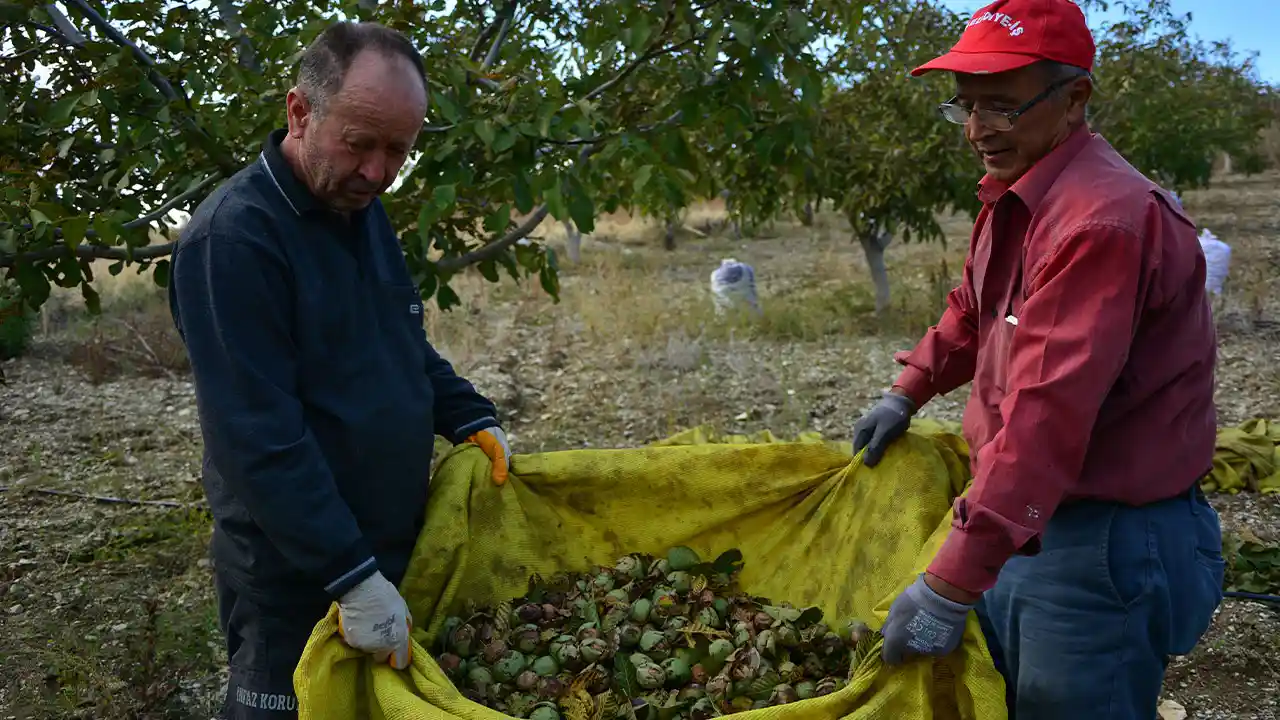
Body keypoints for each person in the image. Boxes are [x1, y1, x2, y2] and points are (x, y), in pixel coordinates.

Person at [851, 1, 1225, 717]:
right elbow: (976, 307)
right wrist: (909, 389)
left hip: (1100, 536)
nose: (975, 131)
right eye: (963, 107)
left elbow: (1045, 420)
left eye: (999, 106)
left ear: (1074, 97)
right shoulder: (1023, 194)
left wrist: (949, 584)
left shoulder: (1100, 223)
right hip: (1028, 515)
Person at [168, 21, 511, 719]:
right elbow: (257, 437)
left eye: (398, 151)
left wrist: (466, 412)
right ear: (299, 112)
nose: (379, 172)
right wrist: (349, 576)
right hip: (294, 576)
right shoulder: (235, 239)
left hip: (387, 548)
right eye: (361, 143)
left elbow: (398, 339)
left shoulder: (357, 205)